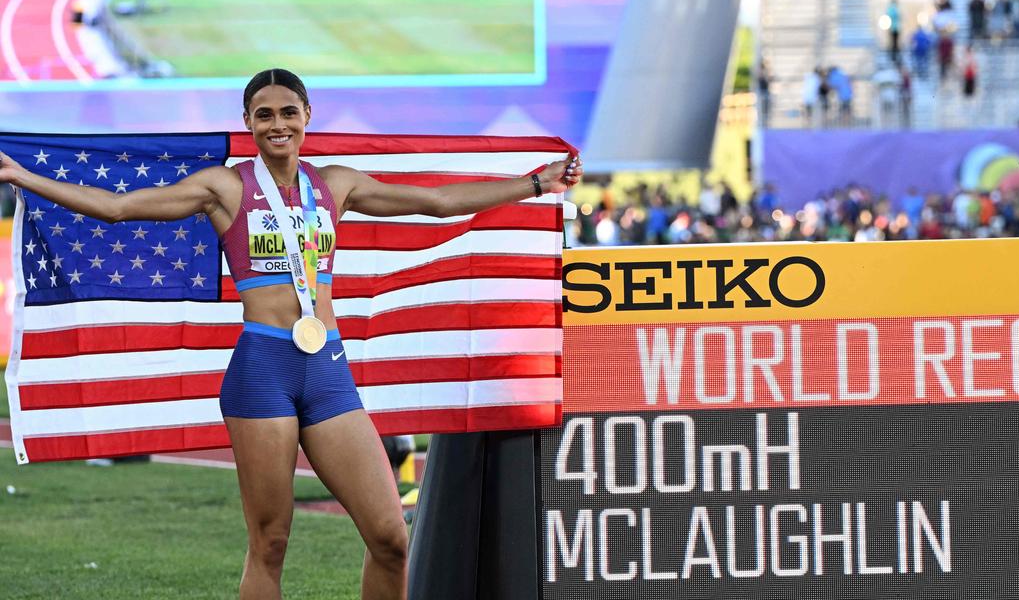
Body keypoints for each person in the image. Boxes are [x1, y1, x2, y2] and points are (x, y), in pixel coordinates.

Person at [0, 69, 582, 600]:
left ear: (307, 116)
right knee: (271, 545)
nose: (277, 124)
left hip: (327, 370)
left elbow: (437, 202)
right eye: (264, 115)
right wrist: (24, 177)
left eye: (287, 112)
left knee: (389, 538)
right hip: (262, 372)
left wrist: (535, 183)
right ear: (249, 124)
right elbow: (119, 207)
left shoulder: (336, 184)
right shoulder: (225, 188)